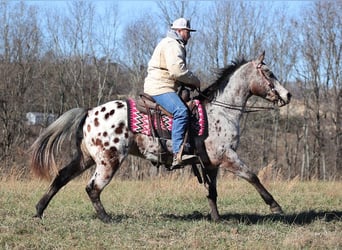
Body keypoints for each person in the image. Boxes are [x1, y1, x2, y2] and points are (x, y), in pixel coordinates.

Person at [144, 17, 200, 168]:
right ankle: (177, 153)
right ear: (179, 31)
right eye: (187, 32)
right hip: (160, 87)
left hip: (163, 85)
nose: (189, 35)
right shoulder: (172, 44)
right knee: (181, 111)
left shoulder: (171, 43)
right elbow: (176, 71)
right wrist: (194, 80)